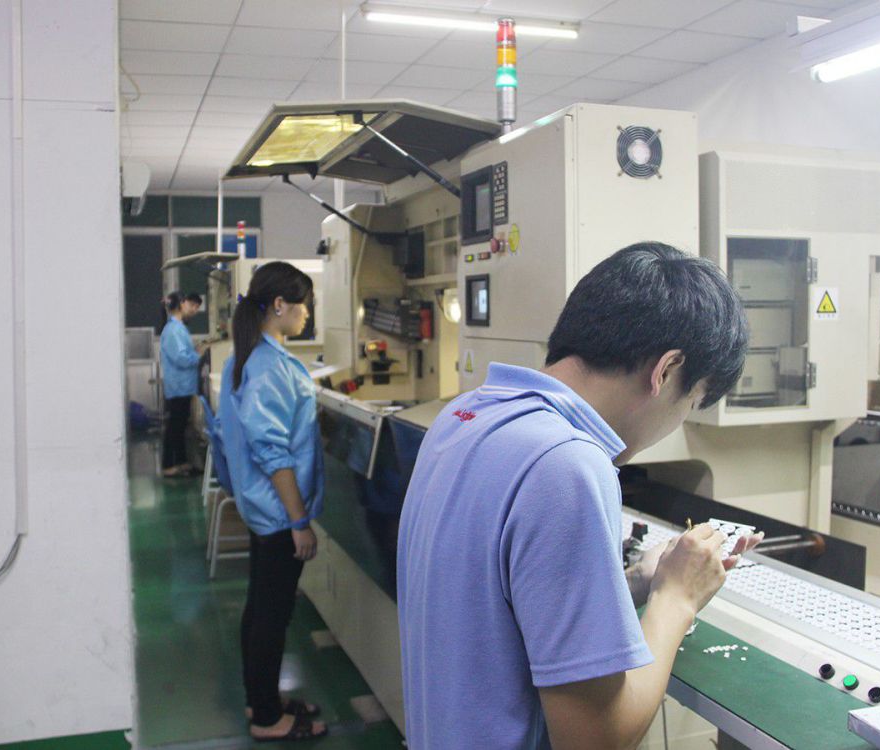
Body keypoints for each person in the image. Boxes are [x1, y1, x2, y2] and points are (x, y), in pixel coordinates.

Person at [397, 243, 762, 750]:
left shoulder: (466, 415)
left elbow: (496, 614)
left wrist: (634, 582)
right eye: (692, 400)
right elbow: (595, 739)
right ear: (666, 370)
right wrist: (676, 597)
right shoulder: (567, 463)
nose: (679, 419)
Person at [218, 262, 327, 743]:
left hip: (260, 509)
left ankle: (259, 699)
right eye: (304, 304)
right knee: (272, 615)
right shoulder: (268, 367)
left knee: (260, 608)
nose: (308, 314)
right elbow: (272, 453)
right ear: (280, 305)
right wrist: (299, 521)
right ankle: (267, 719)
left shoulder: (248, 358)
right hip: (280, 513)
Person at [159, 291, 203, 477]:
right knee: (175, 427)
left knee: (180, 426)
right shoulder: (173, 330)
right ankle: (169, 465)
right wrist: (198, 355)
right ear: (181, 304)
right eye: (188, 304)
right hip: (179, 386)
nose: (192, 309)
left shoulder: (178, 328)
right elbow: (181, 358)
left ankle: (182, 462)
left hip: (182, 386)